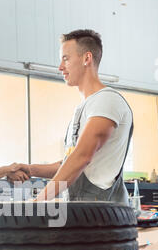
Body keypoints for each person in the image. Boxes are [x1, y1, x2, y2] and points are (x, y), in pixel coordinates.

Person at [8, 29, 133, 205]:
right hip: (82, 211)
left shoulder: (107, 101)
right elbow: (69, 163)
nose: (60, 67)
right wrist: (30, 169)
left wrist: (36, 202)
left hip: (102, 216)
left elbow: (81, 157)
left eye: (66, 59)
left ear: (86, 59)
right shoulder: (85, 107)